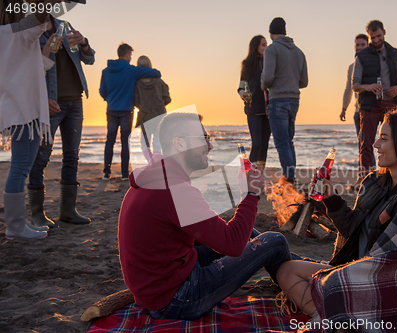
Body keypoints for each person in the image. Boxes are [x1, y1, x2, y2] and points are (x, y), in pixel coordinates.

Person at [276, 111, 397, 328]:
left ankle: (337, 317)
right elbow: (353, 231)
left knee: (322, 281)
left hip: (389, 282)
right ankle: (337, 316)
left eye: (384, 139)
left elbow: (388, 262)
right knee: (286, 270)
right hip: (357, 267)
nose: (374, 144)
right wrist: (331, 199)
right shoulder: (374, 181)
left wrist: (335, 277)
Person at [118, 112, 293, 320]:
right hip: (176, 300)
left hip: (160, 285)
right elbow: (233, 245)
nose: (210, 146)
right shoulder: (174, 190)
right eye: (204, 139)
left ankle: (298, 273)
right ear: (180, 144)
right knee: (274, 241)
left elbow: (215, 235)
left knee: (252, 234)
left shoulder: (156, 177)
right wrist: (251, 194)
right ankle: (303, 280)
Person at [0, 0, 66, 240]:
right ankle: (16, 227)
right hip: (26, 110)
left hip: (15, 108)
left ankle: (18, 224)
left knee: (18, 167)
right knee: (19, 168)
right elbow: (43, 16)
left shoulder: (6, 36)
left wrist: (47, 50)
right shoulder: (17, 32)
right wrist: (47, 3)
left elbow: (30, 68)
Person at [27, 15, 95, 227]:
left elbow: (89, 59)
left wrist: (83, 43)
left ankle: (68, 211)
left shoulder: (65, 26)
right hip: (50, 103)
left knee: (72, 155)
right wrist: (41, 96)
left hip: (76, 100)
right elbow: (29, 69)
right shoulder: (30, 30)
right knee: (41, 155)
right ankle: (37, 213)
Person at [99, 43, 161, 180]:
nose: (131, 58)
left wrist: (110, 99)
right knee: (125, 142)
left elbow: (102, 91)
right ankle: (124, 174)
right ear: (127, 55)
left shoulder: (105, 71)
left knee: (110, 140)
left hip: (111, 109)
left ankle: (106, 172)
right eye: (131, 55)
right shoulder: (131, 70)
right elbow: (156, 73)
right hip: (127, 110)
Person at [352, 20, 397, 181]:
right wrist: (369, 87)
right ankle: (367, 181)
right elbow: (355, 85)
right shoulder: (362, 56)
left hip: (392, 103)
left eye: (378, 36)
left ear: (384, 33)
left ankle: (396, 177)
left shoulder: (394, 52)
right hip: (370, 105)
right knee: (366, 144)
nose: (376, 40)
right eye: (372, 37)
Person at [261, 17, 308, 184]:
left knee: (281, 142)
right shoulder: (299, 52)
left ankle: (289, 178)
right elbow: (305, 82)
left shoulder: (271, 50)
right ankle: (291, 176)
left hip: (278, 99)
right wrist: (291, 82)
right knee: (288, 140)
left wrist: (263, 84)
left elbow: (267, 78)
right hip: (294, 99)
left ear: (271, 32)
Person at [238, 35, 271, 170]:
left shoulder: (269, 62)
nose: (265, 47)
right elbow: (241, 86)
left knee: (264, 144)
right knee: (256, 144)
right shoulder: (247, 63)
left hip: (268, 109)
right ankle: (249, 174)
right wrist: (243, 94)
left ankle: (260, 174)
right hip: (253, 109)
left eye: (266, 44)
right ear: (255, 46)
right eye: (263, 45)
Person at [134, 55, 171, 160]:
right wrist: (159, 104)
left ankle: (151, 163)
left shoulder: (137, 84)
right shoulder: (159, 82)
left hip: (144, 115)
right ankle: (156, 164)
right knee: (157, 143)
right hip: (159, 114)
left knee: (144, 144)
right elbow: (168, 98)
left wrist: (143, 106)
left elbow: (135, 101)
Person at [339, 34, 368, 148]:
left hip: (375, 108)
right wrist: (344, 108)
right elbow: (348, 89)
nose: (359, 47)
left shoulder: (374, 64)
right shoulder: (352, 67)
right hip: (358, 111)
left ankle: (379, 166)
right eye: (357, 45)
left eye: (363, 45)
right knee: (362, 144)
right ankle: (367, 166)